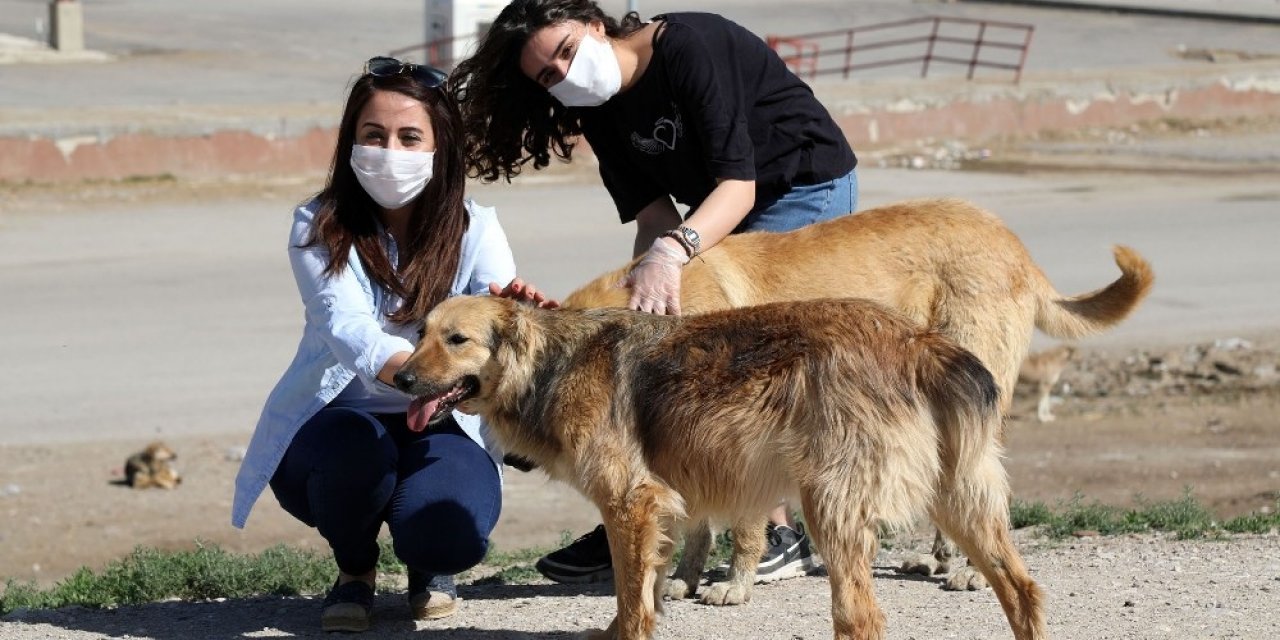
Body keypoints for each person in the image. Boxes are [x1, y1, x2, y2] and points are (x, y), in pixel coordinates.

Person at [449, 1, 858, 585]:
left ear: (594, 23)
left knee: (751, 353)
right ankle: (638, 505)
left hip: (797, 183)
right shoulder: (594, 106)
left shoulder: (686, 48)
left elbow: (738, 188)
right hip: (716, 206)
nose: (563, 74)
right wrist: (642, 292)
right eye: (547, 76)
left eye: (566, 51)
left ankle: (776, 531)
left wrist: (673, 253)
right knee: (670, 350)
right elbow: (653, 216)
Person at [230, 57, 553, 632]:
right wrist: (420, 375)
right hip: (338, 426)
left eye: (409, 137)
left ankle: (429, 564)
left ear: (439, 147)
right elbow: (347, 327)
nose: (389, 151)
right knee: (354, 454)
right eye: (374, 135)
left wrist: (521, 315)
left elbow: (496, 325)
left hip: (447, 425)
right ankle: (354, 567)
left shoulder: (477, 228)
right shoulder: (318, 225)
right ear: (351, 141)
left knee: (447, 536)